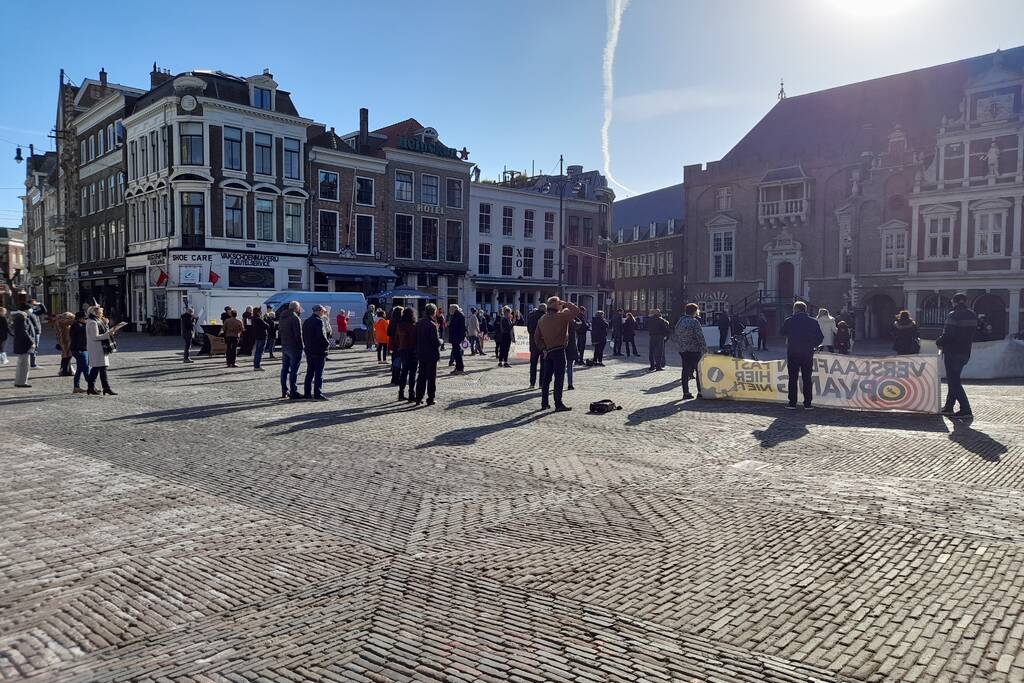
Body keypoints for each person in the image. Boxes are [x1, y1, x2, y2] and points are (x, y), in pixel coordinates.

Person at [534, 296, 581, 411]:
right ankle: (558, 403)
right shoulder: (562, 316)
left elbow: (536, 338)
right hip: (559, 350)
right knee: (559, 379)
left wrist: (543, 349)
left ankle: (544, 403)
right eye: (560, 303)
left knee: (546, 379)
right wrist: (566, 303)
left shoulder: (541, 319)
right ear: (557, 305)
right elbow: (576, 311)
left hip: (548, 351)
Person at [937, 292, 977, 419]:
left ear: (954, 302)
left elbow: (948, 334)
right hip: (965, 351)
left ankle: (966, 409)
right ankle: (949, 406)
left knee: (953, 381)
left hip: (952, 351)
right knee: (954, 379)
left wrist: (939, 342)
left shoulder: (953, 315)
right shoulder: (972, 315)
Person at [781, 301, 824, 410]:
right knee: (807, 378)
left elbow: (781, 332)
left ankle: (792, 403)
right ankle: (807, 403)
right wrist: (813, 345)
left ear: (796, 309)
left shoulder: (789, 320)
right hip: (807, 353)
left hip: (793, 352)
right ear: (804, 309)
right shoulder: (813, 322)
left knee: (792, 378)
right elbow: (820, 337)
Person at [673, 303, 707, 399]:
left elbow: (675, 334)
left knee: (685, 370)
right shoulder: (694, 322)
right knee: (698, 370)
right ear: (695, 311)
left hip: (683, 349)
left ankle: (686, 392)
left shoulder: (680, 321)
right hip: (694, 350)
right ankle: (700, 392)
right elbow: (700, 337)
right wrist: (704, 349)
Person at [85, 305, 118, 395]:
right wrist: (109, 333)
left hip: (100, 348)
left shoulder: (97, 321)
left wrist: (107, 326)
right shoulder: (92, 322)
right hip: (97, 348)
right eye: (100, 313)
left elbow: (102, 331)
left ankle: (91, 387)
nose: (102, 314)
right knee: (101, 368)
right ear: (94, 313)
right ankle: (106, 388)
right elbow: (95, 337)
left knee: (96, 369)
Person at [414, 302, 442, 405]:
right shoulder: (432, 325)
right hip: (431, 355)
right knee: (431, 377)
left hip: (421, 353)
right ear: (434, 312)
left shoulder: (419, 323)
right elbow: (434, 341)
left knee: (421, 376)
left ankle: (418, 397)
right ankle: (430, 398)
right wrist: (440, 342)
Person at [300, 304, 330, 400]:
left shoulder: (307, 321)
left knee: (309, 372)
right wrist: (327, 344)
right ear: (320, 311)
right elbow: (321, 336)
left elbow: (303, 336)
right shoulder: (319, 322)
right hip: (318, 350)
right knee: (318, 373)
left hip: (309, 350)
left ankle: (307, 393)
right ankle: (317, 393)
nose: (324, 313)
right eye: (323, 311)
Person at [278, 301, 303, 399]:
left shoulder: (282, 317)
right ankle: (293, 391)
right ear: (296, 308)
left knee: (284, 369)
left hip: (285, 346)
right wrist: (301, 346)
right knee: (294, 370)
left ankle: (284, 390)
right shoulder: (295, 318)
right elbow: (298, 335)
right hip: (294, 347)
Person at [396, 307, 418, 401]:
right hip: (412, 351)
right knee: (412, 374)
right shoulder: (413, 326)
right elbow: (414, 340)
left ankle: (401, 393)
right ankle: (411, 394)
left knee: (404, 372)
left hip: (402, 350)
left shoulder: (400, 325)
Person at [10, 304, 35, 387]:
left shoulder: (18, 317)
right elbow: (24, 331)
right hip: (24, 344)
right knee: (24, 365)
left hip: (20, 343)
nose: (31, 310)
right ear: (26, 310)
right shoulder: (22, 317)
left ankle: (19, 381)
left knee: (21, 363)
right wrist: (31, 342)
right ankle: (21, 382)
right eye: (30, 309)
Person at [525, 303, 547, 387]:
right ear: (544, 309)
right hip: (542, 344)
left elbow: (529, 329)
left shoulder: (531, 316)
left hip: (533, 343)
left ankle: (532, 383)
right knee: (543, 364)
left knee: (533, 364)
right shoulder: (545, 317)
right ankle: (541, 384)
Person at [69, 310, 90, 394]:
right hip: (79, 350)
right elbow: (84, 331)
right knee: (85, 369)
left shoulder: (81, 325)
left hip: (81, 349)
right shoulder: (76, 326)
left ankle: (76, 387)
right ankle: (91, 386)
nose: (86, 320)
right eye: (85, 318)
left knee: (80, 369)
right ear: (79, 319)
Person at [448, 304, 466, 374]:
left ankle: (460, 368)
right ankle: (457, 367)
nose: (449, 310)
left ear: (454, 309)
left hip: (457, 338)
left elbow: (462, 328)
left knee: (457, 353)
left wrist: (461, 338)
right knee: (455, 353)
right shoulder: (454, 316)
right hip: (454, 337)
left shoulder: (460, 316)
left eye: (450, 309)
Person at [56, 312, 75, 376]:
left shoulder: (60, 321)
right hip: (65, 341)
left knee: (66, 356)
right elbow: (71, 322)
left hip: (64, 341)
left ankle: (66, 370)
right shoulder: (62, 322)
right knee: (67, 356)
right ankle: (64, 371)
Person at [250, 305, 269, 370]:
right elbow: (267, 326)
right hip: (262, 336)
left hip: (257, 336)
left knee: (257, 352)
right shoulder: (258, 319)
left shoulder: (253, 318)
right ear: (258, 312)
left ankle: (256, 365)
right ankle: (257, 366)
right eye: (260, 311)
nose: (261, 312)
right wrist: (266, 318)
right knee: (259, 352)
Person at [388, 306, 403, 384]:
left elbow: (388, 333)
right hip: (399, 344)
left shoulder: (391, 321)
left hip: (393, 344)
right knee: (398, 362)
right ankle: (397, 378)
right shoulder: (400, 322)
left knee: (394, 362)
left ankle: (393, 378)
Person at [26, 302, 42, 369]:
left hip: (37, 332)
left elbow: (44, 310)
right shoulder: (30, 314)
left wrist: (40, 304)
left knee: (35, 347)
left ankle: (32, 363)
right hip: (34, 333)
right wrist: (36, 329)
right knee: (34, 347)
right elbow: (32, 325)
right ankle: (32, 364)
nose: (35, 306)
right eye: (34, 305)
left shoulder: (35, 312)